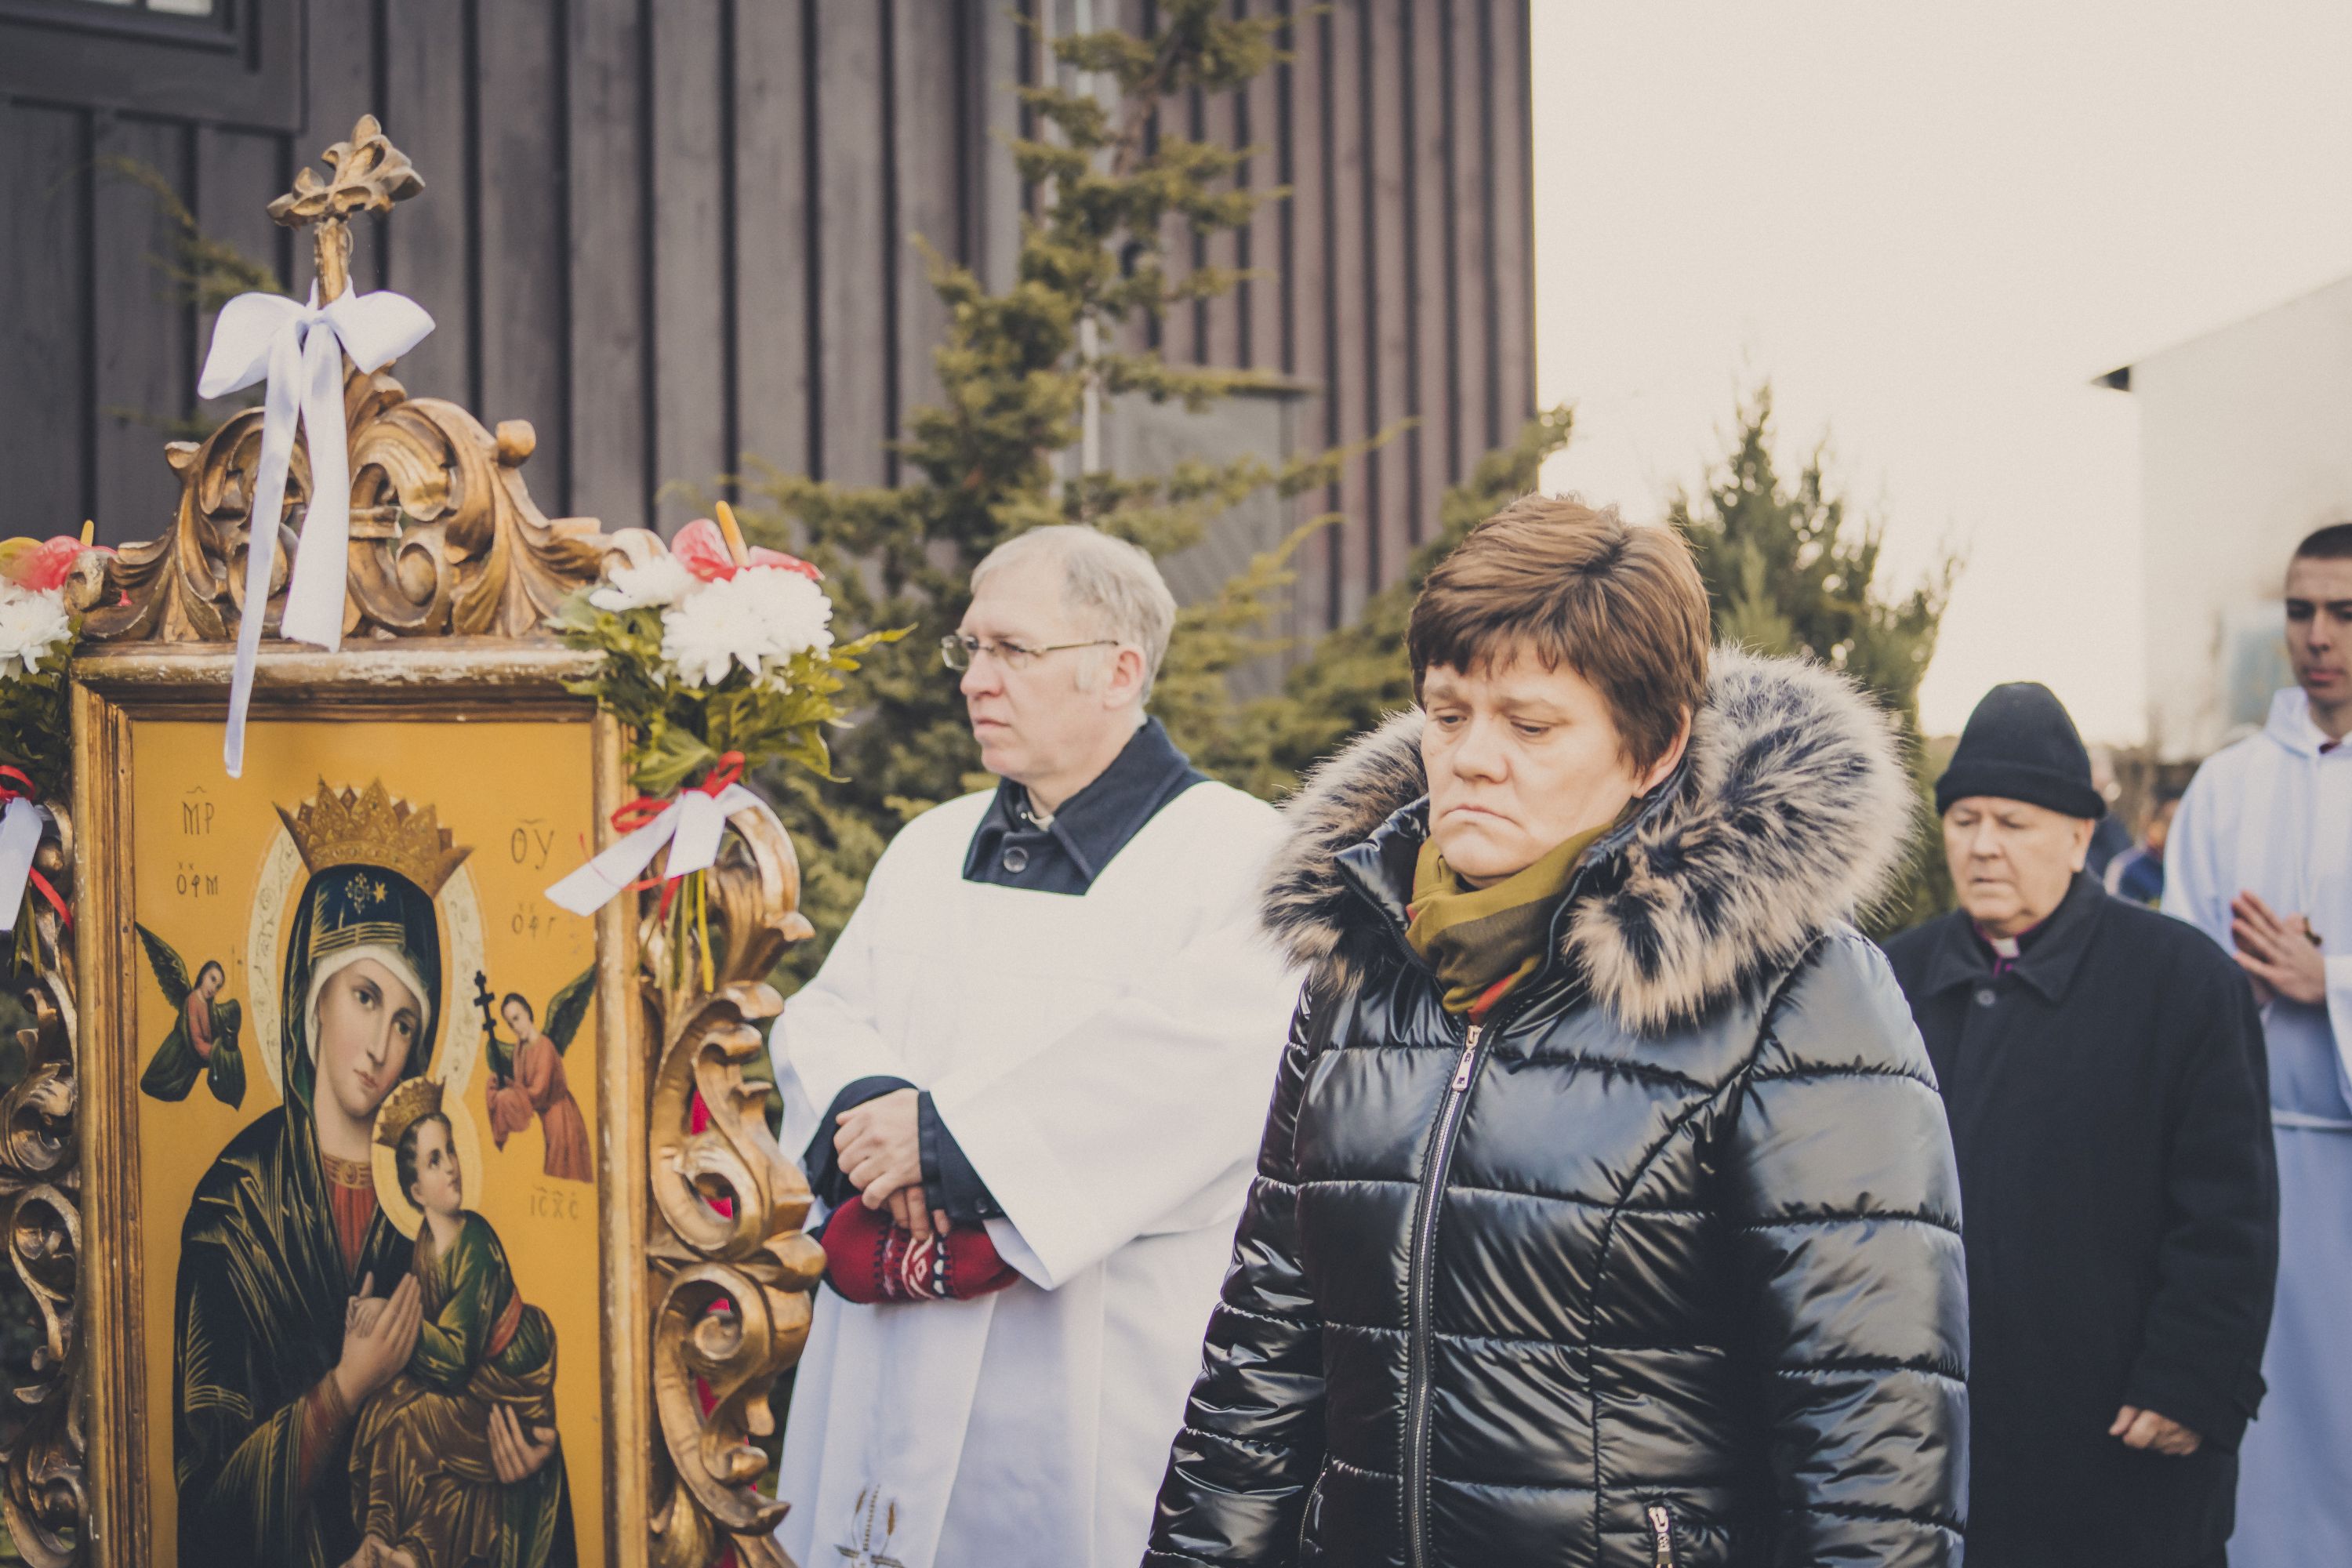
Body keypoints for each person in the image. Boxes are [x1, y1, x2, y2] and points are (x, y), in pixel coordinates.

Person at [1147, 498, 1968, 1567]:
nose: (1472, 758)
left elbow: (1869, 1440)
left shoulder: (1797, 991)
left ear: (1653, 750)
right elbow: (1266, 1348)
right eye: (1448, 713)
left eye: (1530, 726)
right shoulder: (1360, 963)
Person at [768, 527, 1298, 1568]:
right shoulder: (930, 844)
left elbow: (1207, 1075)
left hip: (1090, 1358)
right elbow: (825, 1017)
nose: (976, 679)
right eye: (970, 648)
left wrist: (948, 1144)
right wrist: (872, 1106)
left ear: (1120, 670)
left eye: (1013, 649)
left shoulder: (1237, 857)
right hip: (888, 1339)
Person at [1884, 683, 2276, 1568]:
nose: (1983, 845)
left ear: (2077, 834)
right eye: (1964, 819)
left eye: (2013, 822)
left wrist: (2193, 1380)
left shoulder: (2182, 981)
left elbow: (2230, 1211)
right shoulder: (1892, 981)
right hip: (1945, 1439)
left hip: (2116, 1434)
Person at [172, 783, 559, 1567]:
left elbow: (486, 1416)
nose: (381, 1045)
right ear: (311, 996)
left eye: (405, 1021)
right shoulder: (233, 1206)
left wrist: (520, 1475)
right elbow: (208, 1503)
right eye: (364, 995)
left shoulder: (439, 1215)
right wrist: (346, 1386)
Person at [2165, 522, 2352, 1566]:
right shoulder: (2227, 786)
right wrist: (2225, 992)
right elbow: (2179, 971)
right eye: (2300, 610)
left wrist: (2332, 983)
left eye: (2345, 613)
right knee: (2265, 1466)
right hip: (2253, 1168)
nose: (2318, 636)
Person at [349, 1083, 568, 1568]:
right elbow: (432, 1338)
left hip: (508, 1382)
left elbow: (452, 1361)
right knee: (388, 1408)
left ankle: (405, 1547)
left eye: (450, 1150)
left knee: (410, 1422)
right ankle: (384, 1540)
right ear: (415, 1192)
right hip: (474, 1378)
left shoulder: (477, 1243)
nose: (451, 1165)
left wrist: (390, 1317)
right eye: (435, 1160)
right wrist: (375, 1324)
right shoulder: (427, 1244)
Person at [485, 989, 593, 1183]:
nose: (515, 1027)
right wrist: (504, 1084)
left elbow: (538, 1092)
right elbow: (521, 1087)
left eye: (517, 1018)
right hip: (545, 1119)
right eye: (510, 1023)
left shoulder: (545, 1047)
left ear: (527, 1012)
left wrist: (509, 1094)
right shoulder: (519, 1049)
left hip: (562, 1119)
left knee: (561, 1170)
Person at [2103, 781, 2182, 906]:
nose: (2176, 831)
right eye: (2169, 822)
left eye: (2181, 823)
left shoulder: (2190, 871)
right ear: (2150, 822)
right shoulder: (2127, 869)